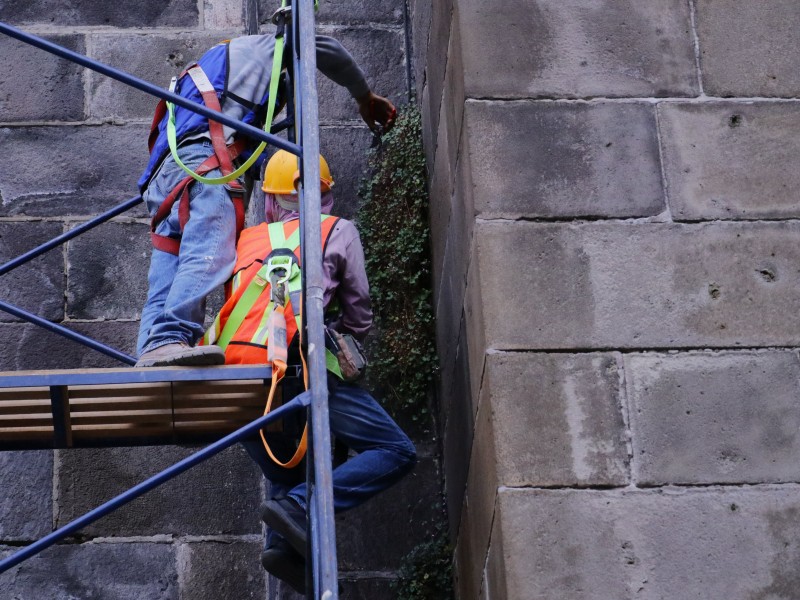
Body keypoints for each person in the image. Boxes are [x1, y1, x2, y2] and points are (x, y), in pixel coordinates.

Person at [135, 30, 397, 367]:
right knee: (210, 247)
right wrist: (364, 96)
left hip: (166, 175)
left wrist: (278, 172)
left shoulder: (213, 74)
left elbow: (246, 156)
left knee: (168, 263)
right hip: (201, 164)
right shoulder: (264, 48)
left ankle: (152, 348)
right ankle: (173, 336)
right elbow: (322, 47)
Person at [234, 150, 417, 594]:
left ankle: (282, 543)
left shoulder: (247, 239)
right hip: (296, 371)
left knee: (283, 469)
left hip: (236, 382)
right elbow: (359, 315)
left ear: (271, 200)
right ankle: (299, 508)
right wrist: (337, 333)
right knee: (396, 450)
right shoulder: (337, 229)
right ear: (324, 193)